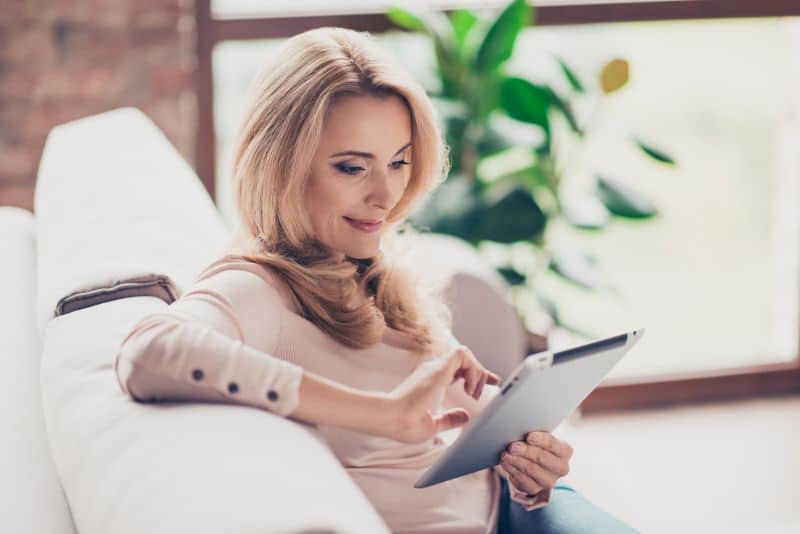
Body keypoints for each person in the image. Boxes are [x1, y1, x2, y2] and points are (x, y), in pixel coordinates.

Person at [114, 26, 638, 534]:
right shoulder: (256, 289)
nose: (385, 196)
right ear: (281, 167)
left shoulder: (375, 273)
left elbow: (467, 444)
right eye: (351, 168)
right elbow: (147, 352)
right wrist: (381, 415)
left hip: (517, 513)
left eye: (398, 163)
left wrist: (532, 474)